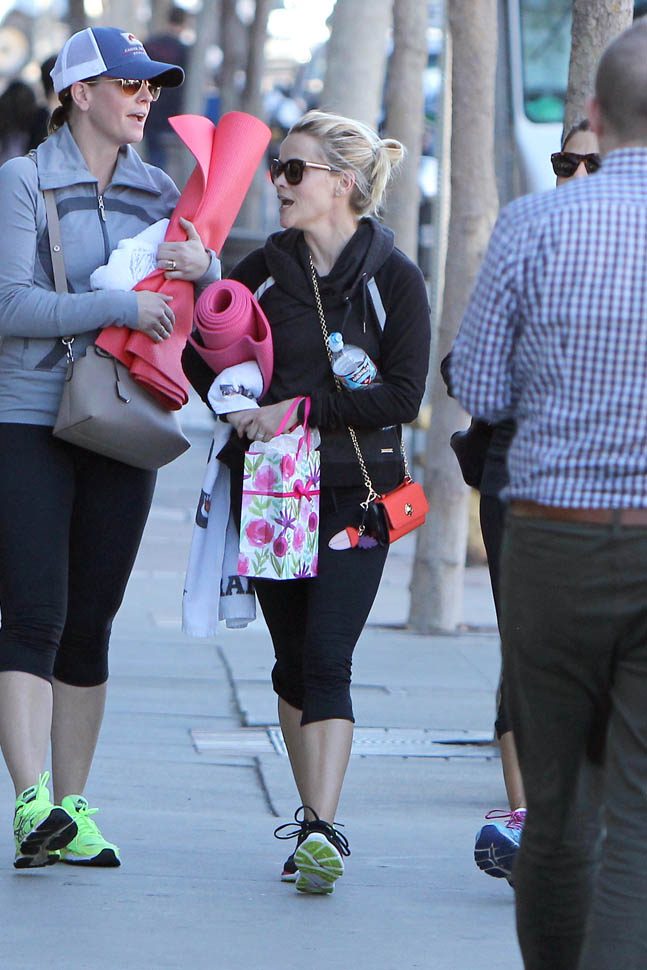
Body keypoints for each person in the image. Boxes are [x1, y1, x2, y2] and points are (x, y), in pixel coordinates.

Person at [183, 110, 430, 894]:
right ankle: (310, 820)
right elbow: (201, 358)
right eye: (276, 169)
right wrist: (236, 401)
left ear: (342, 183)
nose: (278, 183)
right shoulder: (261, 269)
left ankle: (321, 828)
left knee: (327, 655)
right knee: (292, 664)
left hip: (360, 493)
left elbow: (402, 394)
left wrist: (298, 410)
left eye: (293, 170)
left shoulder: (394, 278)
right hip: (274, 493)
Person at [450, 19, 647, 970]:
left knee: (557, 803)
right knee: (636, 814)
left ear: (596, 115)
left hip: (550, 540)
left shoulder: (534, 224)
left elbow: (480, 388)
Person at [0, 26, 218, 870]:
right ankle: (30, 802)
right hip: (28, 418)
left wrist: (201, 271)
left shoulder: (159, 189)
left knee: (91, 622)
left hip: (123, 418)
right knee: (34, 614)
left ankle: (73, 809)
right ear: (79, 93)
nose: (146, 96)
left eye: (152, 84)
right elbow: (9, 306)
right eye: (129, 83)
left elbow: (182, 318)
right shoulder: (23, 181)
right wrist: (118, 307)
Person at [465, 119, 601, 885]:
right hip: (521, 479)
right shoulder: (525, 238)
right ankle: (528, 819)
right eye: (563, 161)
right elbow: (467, 370)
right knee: (525, 648)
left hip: (611, 493)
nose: (574, 174)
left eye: (591, 162)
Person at [144, 8, 190, 186]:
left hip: (150, 112)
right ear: (184, 24)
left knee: (153, 162)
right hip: (174, 116)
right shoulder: (184, 50)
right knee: (171, 168)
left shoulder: (150, 45)